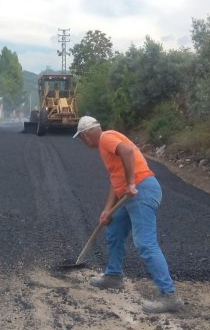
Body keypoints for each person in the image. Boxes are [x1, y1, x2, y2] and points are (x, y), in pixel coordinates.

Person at [73, 116, 183, 314]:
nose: (83, 142)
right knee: (114, 228)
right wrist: (107, 209)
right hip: (129, 193)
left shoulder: (106, 137)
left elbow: (128, 150)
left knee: (145, 243)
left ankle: (169, 295)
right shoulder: (105, 144)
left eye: (81, 138)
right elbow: (115, 180)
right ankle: (113, 276)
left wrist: (131, 183)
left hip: (141, 189)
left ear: (86, 135)